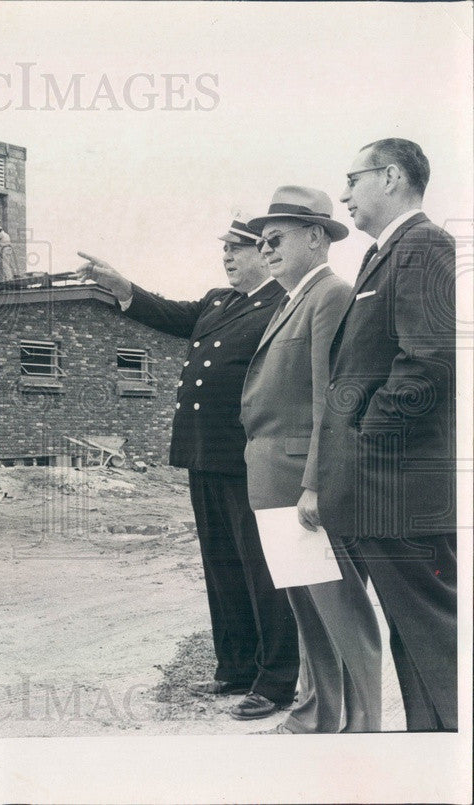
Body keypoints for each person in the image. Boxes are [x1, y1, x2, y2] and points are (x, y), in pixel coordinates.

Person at [77, 219, 299, 721]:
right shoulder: (218, 301)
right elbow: (169, 314)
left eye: (237, 248)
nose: (227, 256)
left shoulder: (282, 303)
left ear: (265, 253)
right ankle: (237, 667)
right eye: (224, 248)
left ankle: (278, 680)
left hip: (248, 456)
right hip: (204, 454)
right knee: (223, 567)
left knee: (263, 571)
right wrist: (123, 288)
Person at [319, 138, 457, 731]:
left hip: (397, 484)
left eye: (353, 178)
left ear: (392, 176)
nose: (345, 193)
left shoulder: (422, 244)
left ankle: (454, 749)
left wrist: (367, 438)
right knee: (415, 630)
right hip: (387, 486)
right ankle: (432, 747)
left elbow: (427, 362)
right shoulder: (386, 251)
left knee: (432, 629)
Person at [241, 186, 380, 733]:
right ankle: (315, 718)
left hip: (303, 484)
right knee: (309, 615)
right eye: (263, 240)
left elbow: (332, 398)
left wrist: (317, 483)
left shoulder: (330, 294)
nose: (266, 247)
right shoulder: (292, 298)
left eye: (277, 237)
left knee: (341, 612)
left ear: (317, 237)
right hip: (274, 480)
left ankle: (365, 730)